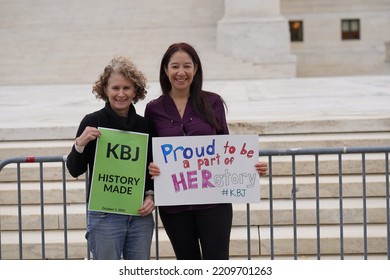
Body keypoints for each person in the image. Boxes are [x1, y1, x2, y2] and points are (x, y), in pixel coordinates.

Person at [144, 42, 268, 260]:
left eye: (187, 66)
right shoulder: (154, 109)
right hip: (175, 205)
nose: (181, 72)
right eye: (174, 66)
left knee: (217, 262)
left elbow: (227, 149)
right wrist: (151, 167)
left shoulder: (213, 102)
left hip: (214, 203)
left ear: (196, 69)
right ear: (165, 69)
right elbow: (150, 153)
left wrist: (250, 166)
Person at [66, 56, 155, 260]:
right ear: (105, 90)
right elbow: (74, 169)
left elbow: (150, 170)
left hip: (139, 216)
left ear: (136, 91)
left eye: (127, 88)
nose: (121, 94)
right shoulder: (92, 122)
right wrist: (80, 144)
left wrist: (151, 196)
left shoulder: (146, 126)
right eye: (115, 88)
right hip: (104, 216)